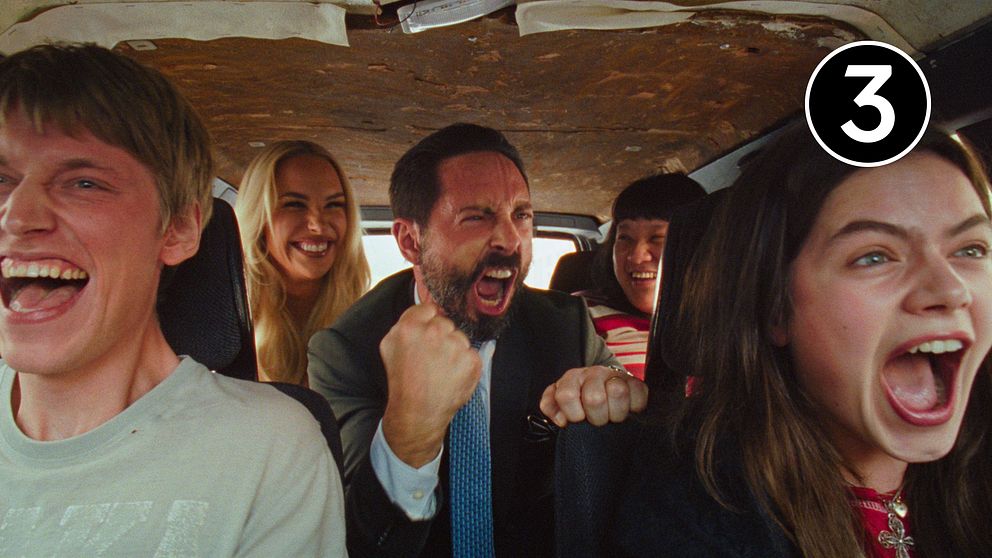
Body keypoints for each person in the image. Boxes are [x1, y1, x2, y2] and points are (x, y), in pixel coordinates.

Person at [0, 44, 346, 556]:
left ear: (179, 229)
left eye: (84, 183)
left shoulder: (269, 446)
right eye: (0, 180)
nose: (17, 215)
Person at [612, 122, 992, 556]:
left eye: (972, 250)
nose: (951, 290)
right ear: (776, 307)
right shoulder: (702, 501)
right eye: (874, 257)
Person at [308, 123, 648, 557]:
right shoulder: (346, 350)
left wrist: (614, 387)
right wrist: (409, 429)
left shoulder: (564, 325)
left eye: (521, 215)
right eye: (476, 216)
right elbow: (361, 540)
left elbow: (618, 392)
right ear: (410, 241)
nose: (510, 240)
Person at [236, 140, 369, 385]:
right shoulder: (227, 331)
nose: (317, 224)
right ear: (259, 217)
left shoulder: (372, 325)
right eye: (294, 205)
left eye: (333, 205)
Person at [579, 173, 705, 379]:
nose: (637, 257)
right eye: (625, 238)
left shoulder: (732, 322)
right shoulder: (579, 316)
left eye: (658, 238)